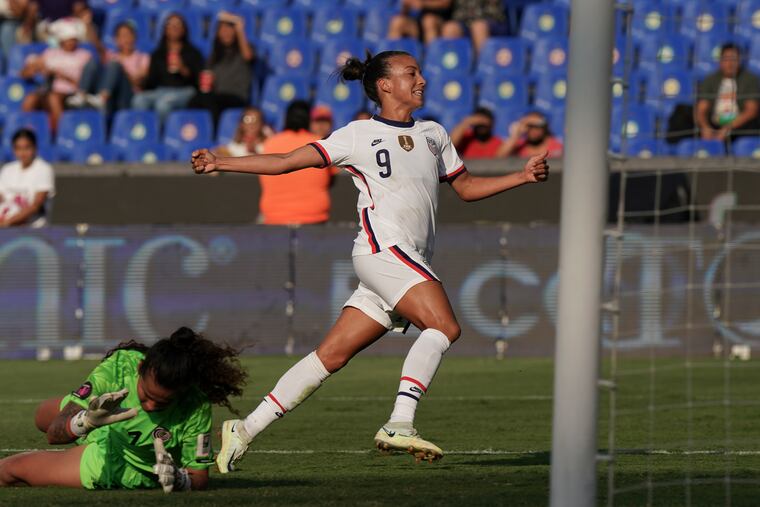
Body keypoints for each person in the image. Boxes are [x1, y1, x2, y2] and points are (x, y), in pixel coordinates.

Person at [191, 50, 548, 470]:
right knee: (444, 326)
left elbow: (466, 187)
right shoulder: (358, 135)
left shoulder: (434, 133)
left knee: (330, 357)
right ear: (385, 84)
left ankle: (245, 429)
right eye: (411, 73)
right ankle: (400, 422)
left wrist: (522, 177)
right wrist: (221, 163)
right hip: (383, 251)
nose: (422, 80)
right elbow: (287, 162)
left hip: (400, 259)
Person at [0, 327, 247, 491]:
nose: (149, 406)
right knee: (42, 414)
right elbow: (54, 434)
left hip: (120, 463)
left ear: (182, 393)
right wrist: (85, 421)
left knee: (8, 470)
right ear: (140, 368)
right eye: (146, 395)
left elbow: (199, 477)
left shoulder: (196, 405)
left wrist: (180, 479)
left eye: (160, 404)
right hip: (102, 424)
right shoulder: (120, 366)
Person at [254, 100, 336, 225]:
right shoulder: (320, 144)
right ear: (309, 119)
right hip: (314, 217)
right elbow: (331, 179)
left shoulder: (270, 144)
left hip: (274, 218)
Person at [667, 43, 760, 145]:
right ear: (720, 61)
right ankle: (673, 151)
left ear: (739, 61)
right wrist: (705, 127)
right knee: (681, 111)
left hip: (738, 126)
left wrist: (728, 128)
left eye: (734, 59)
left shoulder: (750, 79)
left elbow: (751, 111)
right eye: (726, 59)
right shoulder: (711, 79)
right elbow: (702, 108)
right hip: (714, 123)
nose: (730, 64)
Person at [19, 16, 92, 132]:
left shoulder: (84, 55)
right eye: (68, 39)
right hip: (48, 90)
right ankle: (25, 131)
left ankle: (61, 133)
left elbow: (84, 82)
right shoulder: (50, 53)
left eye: (73, 39)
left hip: (71, 93)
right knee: (30, 98)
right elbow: (24, 72)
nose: (71, 42)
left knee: (53, 98)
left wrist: (60, 75)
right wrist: (32, 70)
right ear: (61, 40)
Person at [131, 13, 203, 122]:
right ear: (165, 29)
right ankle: (143, 132)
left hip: (185, 90)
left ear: (184, 29)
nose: (174, 27)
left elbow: (199, 81)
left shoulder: (194, 53)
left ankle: (161, 135)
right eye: (170, 24)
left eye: (178, 24)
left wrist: (183, 69)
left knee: (163, 104)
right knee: (139, 100)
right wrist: (141, 81)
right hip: (161, 90)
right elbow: (152, 81)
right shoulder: (157, 54)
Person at [187, 11, 254, 125]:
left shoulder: (243, 50)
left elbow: (248, 56)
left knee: (212, 102)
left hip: (237, 96)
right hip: (216, 95)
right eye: (222, 30)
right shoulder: (214, 55)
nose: (226, 33)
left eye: (229, 29)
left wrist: (240, 29)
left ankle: (214, 134)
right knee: (194, 100)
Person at [70, 21, 149, 114]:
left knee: (114, 65)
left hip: (126, 95)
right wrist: (87, 23)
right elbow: (96, 44)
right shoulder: (111, 55)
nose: (126, 39)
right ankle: (81, 94)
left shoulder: (143, 57)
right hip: (110, 96)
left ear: (134, 37)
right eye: (122, 36)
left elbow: (139, 82)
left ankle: (102, 97)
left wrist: (122, 70)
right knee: (93, 63)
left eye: (128, 35)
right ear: (116, 40)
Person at [0, 129, 54, 227]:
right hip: (6, 228)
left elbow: (36, 206)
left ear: (35, 148)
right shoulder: (7, 170)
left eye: (27, 148)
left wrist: (8, 223)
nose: (22, 152)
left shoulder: (43, 169)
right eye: (18, 148)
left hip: (34, 231)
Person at [441, 0, 510, 53]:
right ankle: (453, 67)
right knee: (450, 28)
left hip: (490, 20)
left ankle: (483, 66)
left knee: (478, 27)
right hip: (463, 21)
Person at [496, 111, 563, 159]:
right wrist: (516, 135)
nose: (533, 130)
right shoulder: (518, 145)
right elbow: (499, 158)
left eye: (537, 126)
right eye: (529, 126)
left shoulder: (556, 146)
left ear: (544, 128)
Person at [387, 0, 453, 45]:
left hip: (439, 21)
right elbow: (403, 10)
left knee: (428, 20)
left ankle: (431, 59)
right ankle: (390, 59)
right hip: (416, 23)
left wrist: (423, 4)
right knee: (397, 22)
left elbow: (446, 3)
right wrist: (406, 5)